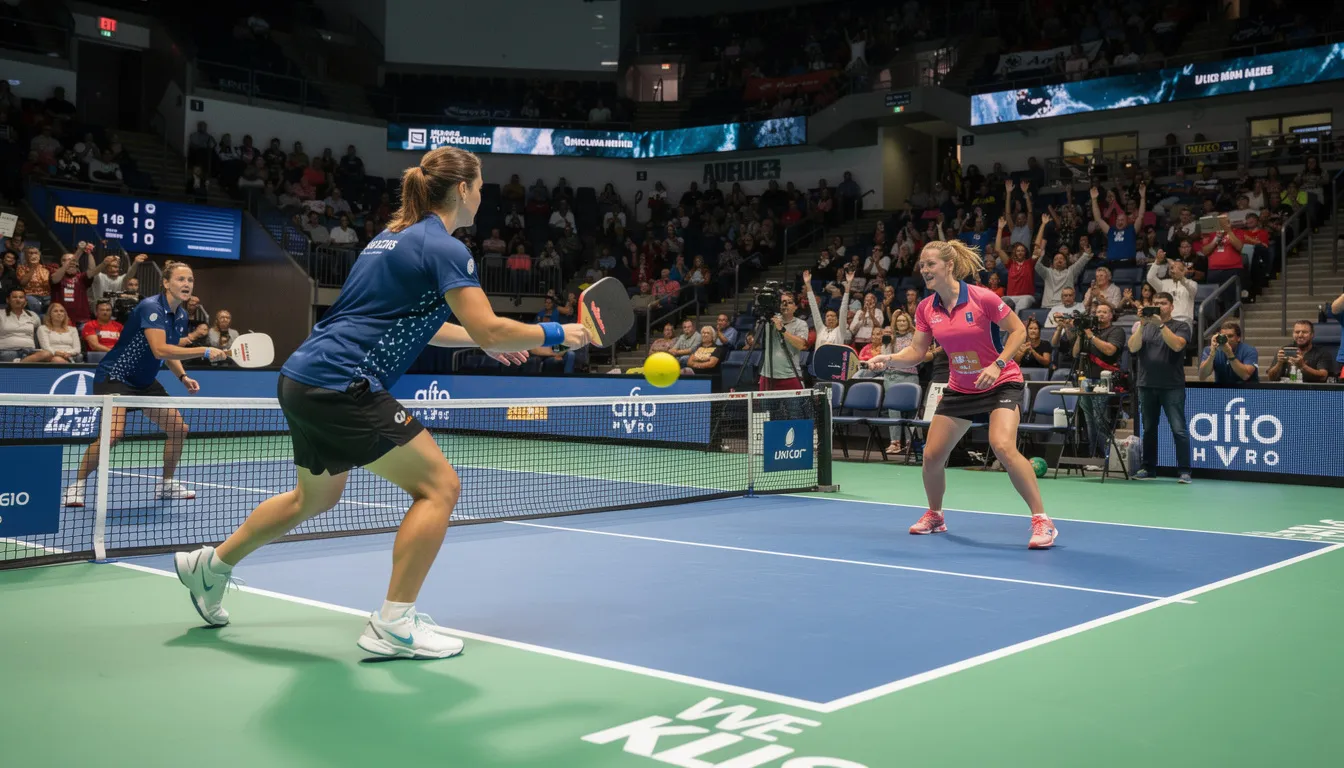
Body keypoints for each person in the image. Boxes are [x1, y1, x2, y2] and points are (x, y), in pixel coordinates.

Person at [170, 146, 589, 660]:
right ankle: (394, 622)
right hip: (343, 381)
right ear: (462, 190)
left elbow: (430, 325)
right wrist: (557, 331)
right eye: (480, 186)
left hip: (303, 377)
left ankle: (209, 567)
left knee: (314, 499)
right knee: (440, 487)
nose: (483, 195)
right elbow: (489, 326)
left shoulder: (389, 240)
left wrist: (488, 340)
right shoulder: (445, 248)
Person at [866, 240, 1058, 549]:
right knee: (930, 456)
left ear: (949, 266)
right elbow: (917, 352)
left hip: (1001, 383)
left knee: (1002, 446)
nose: (924, 270)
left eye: (931, 264)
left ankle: (1042, 521)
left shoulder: (981, 297)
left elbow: (1019, 331)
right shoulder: (927, 308)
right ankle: (936, 515)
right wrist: (887, 358)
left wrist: (997, 364)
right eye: (922, 265)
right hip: (961, 388)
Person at [63, 263, 230, 507]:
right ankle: (75, 486)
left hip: (144, 382)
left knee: (178, 429)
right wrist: (204, 350)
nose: (186, 284)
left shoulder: (181, 315)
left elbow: (169, 353)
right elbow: (159, 348)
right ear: (166, 283)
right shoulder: (151, 307)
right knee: (112, 435)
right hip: (116, 376)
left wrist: (183, 377)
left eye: (190, 280)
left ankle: (166, 484)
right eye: (181, 279)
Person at [1126, 292, 1192, 482]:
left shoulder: (1181, 326)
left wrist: (1160, 325)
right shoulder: (1143, 327)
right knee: (1148, 429)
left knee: (1178, 429)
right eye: (1155, 303)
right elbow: (1133, 347)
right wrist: (1143, 324)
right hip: (1146, 384)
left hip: (1172, 386)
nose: (1158, 306)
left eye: (1163, 303)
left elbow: (1177, 346)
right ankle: (1148, 468)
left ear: (1171, 306)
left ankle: (1184, 471)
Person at [1197, 320, 1258, 386]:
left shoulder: (1249, 350)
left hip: (1247, 391)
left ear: (1238, 338)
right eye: (1224, 336)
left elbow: (1245, 375)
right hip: (1223, 391)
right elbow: (1202, 376)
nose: (1227, 340)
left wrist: (1229, 353)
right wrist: (1212, 354)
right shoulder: (1210, 350)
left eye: (1230, 336)